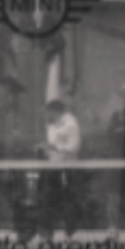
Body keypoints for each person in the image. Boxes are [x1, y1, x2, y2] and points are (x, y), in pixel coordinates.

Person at [39, 97, 84, 239]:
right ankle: (47, 234)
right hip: (53, 167)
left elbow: (74, 147)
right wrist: (46, 150)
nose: (45, 116)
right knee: (48, 200)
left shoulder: (71, 124)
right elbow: (53, 144)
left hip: (67, 169)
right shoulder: (52, 125)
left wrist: (54, 148)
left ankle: (69, 234)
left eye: (47, 113)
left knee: (68, 201)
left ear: (54, 111)